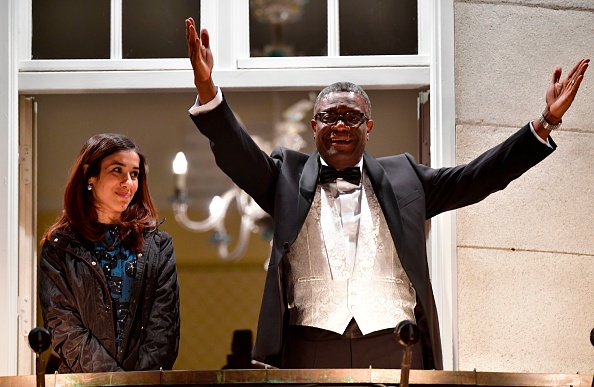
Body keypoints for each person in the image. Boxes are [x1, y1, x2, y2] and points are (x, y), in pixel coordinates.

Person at [184, 18, 589, 370]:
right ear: (313, 126)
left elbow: (477, 178)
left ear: (369, 126)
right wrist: (208, 90)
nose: (340, 125)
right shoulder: (284, 176)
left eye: (351, 116)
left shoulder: (406, 177)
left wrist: (544, 122)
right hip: (309, 347)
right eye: (329, 116)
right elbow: (237, 154)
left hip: (393, 344)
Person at [38, 133, 180, 373]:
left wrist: (136, 383)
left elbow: (164, 328)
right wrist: (113, 380)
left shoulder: (159, 245)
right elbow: (64, 327)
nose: (128, 182)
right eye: (117, 170)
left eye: (134, 174)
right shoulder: (59, 247)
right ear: (89, 175)